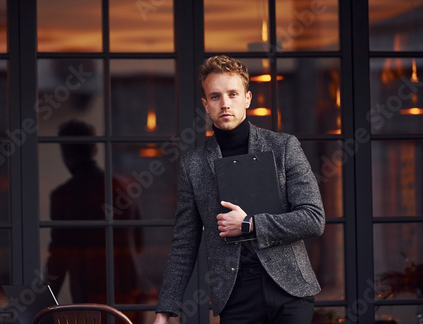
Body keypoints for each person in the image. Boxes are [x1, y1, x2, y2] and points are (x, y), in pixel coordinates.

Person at [153, 55, 325, 324]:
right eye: (215, 97)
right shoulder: (193, 165)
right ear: (205, 105)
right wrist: (165, 310)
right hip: (236, 295)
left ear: (247, 98)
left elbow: (313, 219)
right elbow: (184, 243)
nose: (225, 104)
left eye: (233, 94)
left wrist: (250, 224)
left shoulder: (284, 147)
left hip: (290, 290)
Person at [44, 120, 144, 322]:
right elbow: (139, 242)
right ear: (95, 148)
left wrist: (42, 306)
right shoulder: (122, 188)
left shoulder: (65, 195)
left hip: (88, 290)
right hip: (128, 287)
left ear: (65, 153)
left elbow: (59, 257)